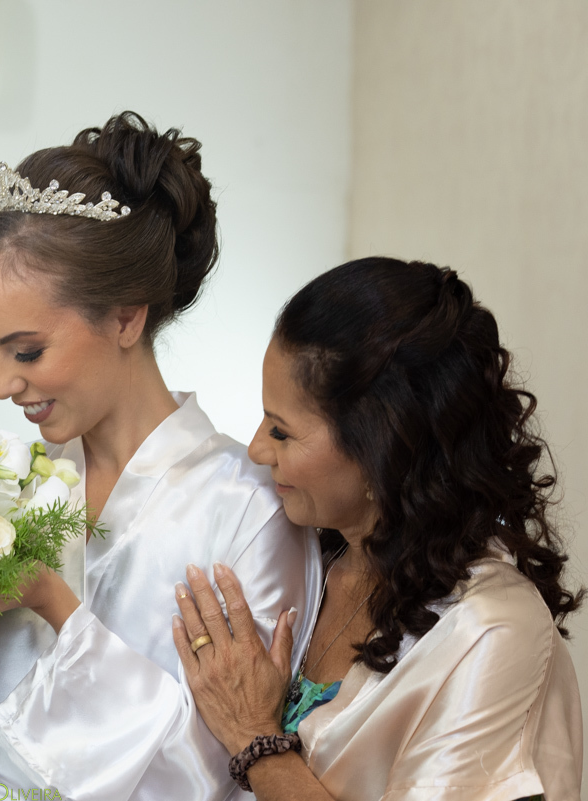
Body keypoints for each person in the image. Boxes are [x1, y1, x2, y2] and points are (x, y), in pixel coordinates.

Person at [0, 112, 321, 800]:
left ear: (125, 316)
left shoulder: (248, 511)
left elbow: (222, 768)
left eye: (25, 350)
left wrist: (47, 597)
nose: (0, 385)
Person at [172, 258, 583, 800]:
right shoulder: (311, 553)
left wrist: (255, 737)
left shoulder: (491, 631)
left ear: (379, 449)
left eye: (282, 431)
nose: (256, 449)